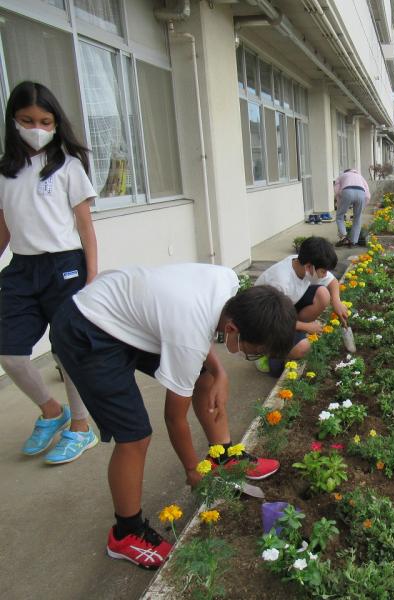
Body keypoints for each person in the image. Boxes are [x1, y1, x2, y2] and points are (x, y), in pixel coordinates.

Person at [49, 263, 296, 568]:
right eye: (252, 351)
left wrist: (220, 373)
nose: (248, 357)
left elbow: (196, 326)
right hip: (87, 329)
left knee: (205, 376)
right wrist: (192, 470)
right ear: (233, 329)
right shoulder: (189, 333)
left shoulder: (229, 285)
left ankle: (225, 457)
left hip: (126, 316)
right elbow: (174, 417)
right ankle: (126, 533)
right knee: (135, 435)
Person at [0, 81, 99, 464]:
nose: (37, 128)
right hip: (22, 268)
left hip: (65, 266)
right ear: (13, 121)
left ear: (56, 123)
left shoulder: (68, 166)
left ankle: (79, 426)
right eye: (27, 120)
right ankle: (50, 411)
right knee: (10, 354)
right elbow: (6, 228)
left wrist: (91, 277)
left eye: (45, 121)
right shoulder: (5, 171)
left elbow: (86, 227)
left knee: (65, 351)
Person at [253, 236, 348, 375]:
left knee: (323, 295)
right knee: (302, 348)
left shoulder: (303, 262)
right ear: (309, 266)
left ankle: (295, 333)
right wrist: (307, 327)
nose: (325, 275)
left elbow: (332, 282)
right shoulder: (280, 283)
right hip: (265, 322)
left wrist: (337, 301)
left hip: (285, 308)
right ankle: (265, 351)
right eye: (323, 271)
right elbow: (275, 320)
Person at [334, 168, 370, 248]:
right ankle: (354, 242)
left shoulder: (342, 176)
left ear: (345, 172)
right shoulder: (360, 177)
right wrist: (363, 205)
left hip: (347, 192)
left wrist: (339, 203)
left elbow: (337, 191)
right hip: (361, 193)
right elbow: (367, 194)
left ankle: (344, 238)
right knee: (357, 217)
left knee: (340, 216)